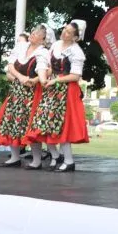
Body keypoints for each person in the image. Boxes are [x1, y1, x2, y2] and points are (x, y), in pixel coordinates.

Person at [25, 19, 90, 172]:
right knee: (42, 123)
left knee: (63, 125)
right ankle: (56, 155)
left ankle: (68, 160)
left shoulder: (76, 52)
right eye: (64, 29)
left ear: (75, 37)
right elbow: (48, 67)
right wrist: (42, 79)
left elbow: (75, 75)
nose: (64, 33)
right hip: (53, 88)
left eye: (68, 32)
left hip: (67, 90)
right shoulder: (55, 45)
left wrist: (55, 81)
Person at [0, 25, 52, 167]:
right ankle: (15, 157)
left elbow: (43, 70)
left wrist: (32, 80)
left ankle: (36, 160)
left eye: (37, 34)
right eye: (32, 32)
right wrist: (20, 77)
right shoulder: (22, 46)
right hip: (17, 89)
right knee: (12, 120)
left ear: (43, 39)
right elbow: (10, 66)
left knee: (30, 125)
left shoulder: (43, 53)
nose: (32, 34)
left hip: (32, 92)